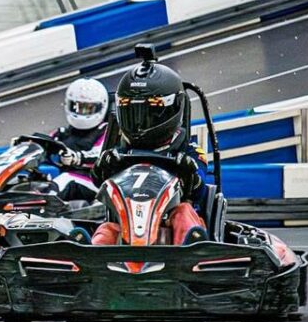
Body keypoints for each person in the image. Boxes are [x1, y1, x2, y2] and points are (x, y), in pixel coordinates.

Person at [91, 54, 208, 246]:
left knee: (183, 213)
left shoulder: (189, 151)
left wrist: (189, 174)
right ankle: (92, 255)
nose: (139, 122)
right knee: (107, 229)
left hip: (170, 227)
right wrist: (102, 167)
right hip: (127, 225)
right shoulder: (119, 150)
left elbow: (201, 190)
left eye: (149, 112)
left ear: (172, 109)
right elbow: (98, 181)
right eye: (132, 112)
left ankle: (193, 248)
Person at [49, 78, 109, 203]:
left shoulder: (106, 130)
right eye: (77, 107)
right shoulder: (63, 133)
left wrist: (77, 158)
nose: (82, 113)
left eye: (88, 108)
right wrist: (27, 144)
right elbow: (46, 143)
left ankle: (44, 206)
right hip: (70, 180)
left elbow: (102, 155)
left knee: (65, 179)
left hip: (96, 183)